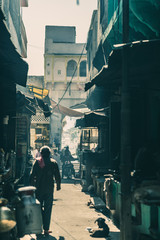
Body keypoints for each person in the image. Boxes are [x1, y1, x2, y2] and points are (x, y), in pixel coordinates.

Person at [29, 145, 61, 236]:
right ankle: (46, 229)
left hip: (38, 189)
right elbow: (57, 175)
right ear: (49, 153)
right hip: (49, 189)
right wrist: (58, 185)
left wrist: (31, 187)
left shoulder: (37, 162)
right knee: (48, 208)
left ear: (41, 153)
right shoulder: (53, 162)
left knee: (38, 208)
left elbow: (32, 176)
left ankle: (38, 228)